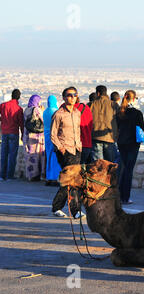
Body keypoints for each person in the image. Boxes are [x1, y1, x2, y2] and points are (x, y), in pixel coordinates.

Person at [50, 87, 84, 219]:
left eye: (74, 95)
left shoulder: (77, 113)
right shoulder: (59, 114)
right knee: (71, 180)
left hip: (76, 149)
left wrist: (79, 145)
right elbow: (53, 134)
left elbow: (78, 130)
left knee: (72, 181)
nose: (72, 97)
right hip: (65, 150)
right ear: (64, 97)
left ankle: (59, 207)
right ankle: (73, 210)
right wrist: (61, 148)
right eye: (69, 95)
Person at [116, 90, 144, 205]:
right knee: (129, 170)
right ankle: (125, 197)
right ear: (133, 99)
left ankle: (118, 195)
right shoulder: (137, 113)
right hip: (133, 144)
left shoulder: (120, 112)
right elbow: (141, 128)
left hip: (121, 143)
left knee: (121, 170)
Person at [90, 85, 119, 162]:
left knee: (98, 165)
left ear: (98, 93)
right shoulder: (114, 105)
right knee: (110, 164)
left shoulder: (91, 104)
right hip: (109, 137)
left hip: (95, 137)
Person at [0, 89, 24, 181]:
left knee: (3, 154)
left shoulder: (3, 105)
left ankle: (2, 175)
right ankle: (10, 176)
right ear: (18, 97)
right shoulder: (18, 109)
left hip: (4, 132)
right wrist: (22, 134)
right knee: (12, 155)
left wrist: (2, 120)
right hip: (14, 133)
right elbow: (21, 123)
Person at [23, 95, 46, 181]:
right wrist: (42, 110)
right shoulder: (37, 110)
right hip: (37, 137)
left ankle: (30, 175)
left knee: (30, 156)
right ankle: (38, 175)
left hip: (28, 136)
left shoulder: (26, 110)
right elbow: (43, 120)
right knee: (37, 156)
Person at [43, 95, 61, 186]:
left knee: (48, 156)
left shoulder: (45, 111)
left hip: (46, 135)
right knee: (55, 157)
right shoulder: (56, 111)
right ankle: (54, 177)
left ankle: (48, 177)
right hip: (54, 135)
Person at [76, 98, 94, 164]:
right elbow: (91, 124)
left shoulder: (65, 108)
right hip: (87, 143)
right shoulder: (86, 107)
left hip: (73, 145)